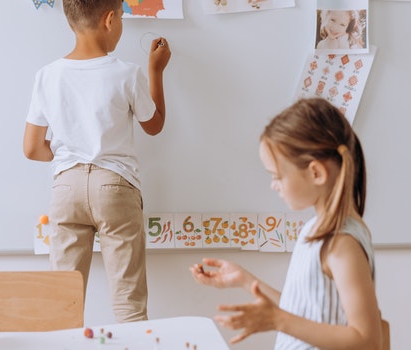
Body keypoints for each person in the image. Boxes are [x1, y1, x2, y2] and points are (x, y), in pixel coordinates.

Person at [190, 98, 382, 348]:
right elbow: (306, 312)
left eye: (277, 176)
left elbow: (367, 341)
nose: (274, 185)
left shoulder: (342, 244)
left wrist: (279, 321)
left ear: (316, 173)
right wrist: (245, 280)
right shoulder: (315, 230)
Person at [23, 0, 171, 322]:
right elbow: (154, 124)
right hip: (114, 185)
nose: (120, 24)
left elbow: (32, 148)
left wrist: (67, 152)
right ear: (109, 19)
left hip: (66, 188)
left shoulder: (47, 75)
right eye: (121, 17)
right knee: (128, 305)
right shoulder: (126, 73)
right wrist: (156, 71)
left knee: (61, 305)